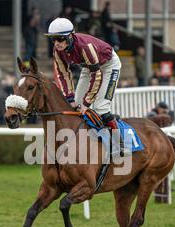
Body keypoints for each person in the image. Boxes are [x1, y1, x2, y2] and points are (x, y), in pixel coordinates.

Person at [45, 17, 123, 151]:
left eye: (60, 39)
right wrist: (70, 98)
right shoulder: (57, 50)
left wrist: (87, 103)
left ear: (70, 36)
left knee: (101, 107)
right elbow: (63, 74)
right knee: (76, 105)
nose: (57, 43)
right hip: (89, 67)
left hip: (109, 65)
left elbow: (97, 76)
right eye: (53, 39)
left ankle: (120, 143)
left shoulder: (86, 47)